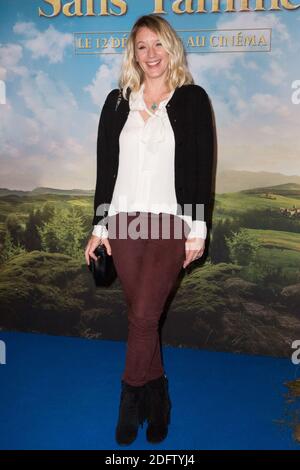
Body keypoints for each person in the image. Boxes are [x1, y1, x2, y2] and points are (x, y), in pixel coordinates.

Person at [84, 14, 214, 446]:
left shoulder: (192, 99)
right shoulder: (116, 101)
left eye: (158, 44)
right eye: (142, 46)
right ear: (133, 53)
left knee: (142, 318)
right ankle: (158, 398)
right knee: (142, 316)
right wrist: (99, 226)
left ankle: (129, 402)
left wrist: (197, 228)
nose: (151, 54)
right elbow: (106, 171)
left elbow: (200, 168)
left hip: (169, 223)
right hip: (123, 223)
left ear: (171, 48)